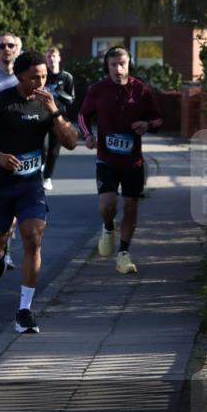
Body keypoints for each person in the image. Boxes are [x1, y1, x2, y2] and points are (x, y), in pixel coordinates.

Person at [0, 50, 78, 334]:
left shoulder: (48, 103)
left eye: (45, 76)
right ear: (19, 76)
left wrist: (55, 112)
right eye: (35, 77)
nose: (41, 82)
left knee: (33, 238)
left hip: (30, 185)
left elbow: (71, 142)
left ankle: (25, 310)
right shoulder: (0, 104)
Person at [79, 46, 162, 274]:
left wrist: (147, 125)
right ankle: (108, 227)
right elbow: (82, 115)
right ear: (107, 66)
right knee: (107, 206)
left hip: (133, 162)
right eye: (113, 64)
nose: (118, 69)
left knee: (130, 206)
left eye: (122, 63)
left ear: (129, 64)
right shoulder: (98, 90)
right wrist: (87, 135)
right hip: (106, 159)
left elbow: (158, 120)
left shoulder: (141, 90)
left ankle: (123, 254)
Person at [41, 46, 76, 191]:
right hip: (41, 116)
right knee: (41, 147)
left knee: (54, 151)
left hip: (59, 117)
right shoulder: (42, 75)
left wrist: (59, 93)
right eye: (48, 56)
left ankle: (47, 177)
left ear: (59, 58)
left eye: (53, 56)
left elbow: (71, 99)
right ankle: (41, 165)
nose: (51, 59)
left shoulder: (66, 77)